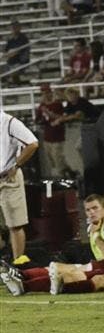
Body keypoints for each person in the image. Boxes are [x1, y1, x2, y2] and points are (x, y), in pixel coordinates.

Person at [2, 194, 104, 296]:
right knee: (54, 267)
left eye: (95, 208)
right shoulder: (92, 227)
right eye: (88, 210)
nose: (91, 212)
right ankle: (20, 275)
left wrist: (97, 236)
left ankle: (24, 283)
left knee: (63, 273)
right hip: (97, 264)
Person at [0, 112, 39, 265]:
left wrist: (17, 165)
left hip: (8, 179)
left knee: (15, 224)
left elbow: (33, 143)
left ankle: (18, 265)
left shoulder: (9, 122)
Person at [34, 83, 68, 177]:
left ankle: (62, 177)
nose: (45, 94)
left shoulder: (57, 104)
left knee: (58, 158)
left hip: (58, 136)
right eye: (43, 92)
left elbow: (62, 117)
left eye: (47, 92)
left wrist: (48, 113)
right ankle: (64, 173)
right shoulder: (41, 106)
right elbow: (38, 120)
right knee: (51, 159)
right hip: (47, 136)